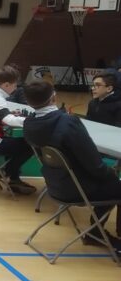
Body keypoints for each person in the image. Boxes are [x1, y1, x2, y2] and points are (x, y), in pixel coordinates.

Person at [22, 81, 121, 247]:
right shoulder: (68, 122)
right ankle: (96, 232)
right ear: (54, 97)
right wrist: (111, 174)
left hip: (55, 184)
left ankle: (96, 231)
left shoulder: (29, 123)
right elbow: (94, 165)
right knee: (114, 183)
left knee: (112, 183)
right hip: (80, 187)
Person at [0, 65, 36, 195]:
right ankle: (9, 174)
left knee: (17, 143)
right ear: (6, 85)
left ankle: (13, 176)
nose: (16, 88)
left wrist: (9, 113)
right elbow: (9, 121)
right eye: (15, 85)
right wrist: (32, 121)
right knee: (30, 145)